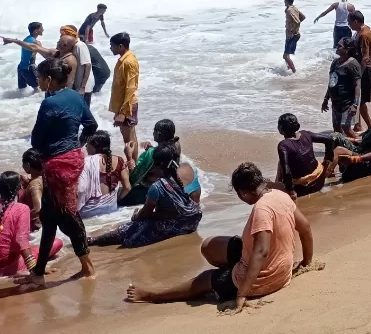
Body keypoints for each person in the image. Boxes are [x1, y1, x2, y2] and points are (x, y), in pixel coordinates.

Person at [125, 162, 314, 313]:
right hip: (280, 267)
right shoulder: (280, 195)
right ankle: (234, 269)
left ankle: (151, 294)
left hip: (264, 280)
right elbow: (305, 228)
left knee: (204, 280)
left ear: (244, 193)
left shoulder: (261, 209)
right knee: (208, 246)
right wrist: (306, 262)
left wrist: (242, 294)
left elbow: (262, 252)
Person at [18, 57, 97, 287]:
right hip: (73, 159)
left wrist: (49, 152)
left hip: (56, 166)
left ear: (49, 79)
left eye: (40, 78)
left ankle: (88, 267)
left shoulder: (49, 104)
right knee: (50, 217)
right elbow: (91, 126)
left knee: (68, 215)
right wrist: (77, 145)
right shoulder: (75, 96)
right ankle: (39, 271)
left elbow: (36, 139)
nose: (38, 81)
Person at [88, 143, 202, 248]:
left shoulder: (157, 187)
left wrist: (136, 216)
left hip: (176, 224)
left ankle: (94, 240)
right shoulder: (185, 170)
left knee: (128, 229)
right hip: (192, 221)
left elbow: (145, 213)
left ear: (157, 166)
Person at [0, 170, 63, 277]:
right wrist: (35, 269)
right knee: (57, 242)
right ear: (19, 188)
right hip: (7, 264)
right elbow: (21, 241)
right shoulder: (21, 209)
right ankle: (18, 269)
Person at [125, 119, 201, 207]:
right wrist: (153, 148)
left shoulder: (151, 153)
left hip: (157, 189)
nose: (153, 133)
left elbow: (133, 178)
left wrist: (129, 157)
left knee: (122, 194)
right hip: (175, 184)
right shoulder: (175, 144)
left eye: (154, 131)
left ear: (158, 134)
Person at [324, 96, 371, 182]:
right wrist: (347, 138)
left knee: (339, 152)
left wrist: (355, 159)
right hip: (361, 151)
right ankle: (329, 170)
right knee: (335, 137)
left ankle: (322, 178)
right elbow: (361, 139)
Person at [78, 130, 131, 218]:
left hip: (89, 213)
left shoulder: (86, 162)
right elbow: (127, 187)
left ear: (95, 146)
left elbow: (80, 189)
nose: (86, 146)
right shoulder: (119, 160)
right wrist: (117, 199)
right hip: (111, 210)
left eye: (88, 144)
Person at [275, 113, 326, 198]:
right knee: (284, 162)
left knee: (281, 163)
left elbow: (287, 173)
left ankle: (277, 188)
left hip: (303, 189)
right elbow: (330, 139)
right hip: (320, 181)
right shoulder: (306, 134)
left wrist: (290, 191)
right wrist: (327, 159)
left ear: (281, 129)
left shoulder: (283, 145)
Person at [322, 38, 364, 137]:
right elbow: (332, 82)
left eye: (340, 46)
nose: (337, 47)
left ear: (347, 49)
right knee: (336, 128)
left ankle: (362, 147)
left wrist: (355, 104)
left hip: (347, 103)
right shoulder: (335, 62)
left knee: (347, 128)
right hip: (335, 102)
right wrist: (325, 99)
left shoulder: (353, 64)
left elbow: (357, 85)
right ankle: (342, 148)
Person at [109, 32, 140, 155]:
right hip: (123, 105)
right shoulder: (123, 60)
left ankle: (132, 166)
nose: (110, 48)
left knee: (128, 141)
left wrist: (123, 113)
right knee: (130, 138)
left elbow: (131, 88)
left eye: (112, 45)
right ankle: (134, 165)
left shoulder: (129, 62)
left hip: (126, 107)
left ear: (120, 46)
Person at [347, 10, 371, 131]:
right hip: (362, 69)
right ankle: (358, 125)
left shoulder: (364, 34)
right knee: (357, 99)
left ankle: (370, 127)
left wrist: (358, 75)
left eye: (350, 23)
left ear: (355, 21)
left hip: (364, 70)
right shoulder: (363, 30)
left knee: (361, 100)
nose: (349, 25)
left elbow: (365, 58)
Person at [18, 149, 44, 231]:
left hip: (36, 227)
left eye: (23, 163)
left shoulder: (35, 184)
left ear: (27, 165)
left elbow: (38, 209)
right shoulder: (44, 177)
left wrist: (20, 218)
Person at [16, 21, 43, 91]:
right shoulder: (36, 43)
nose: (43, 30)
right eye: (41, 28)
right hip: (28, 68)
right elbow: (45, 53)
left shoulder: (25, 39)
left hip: (21, 67)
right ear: (36, 31)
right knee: (38, 90)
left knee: (21, 90)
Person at [282, 0, 304, 73]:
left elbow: (297, 22)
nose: (284, 1)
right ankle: (289, 69)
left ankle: (294, 72)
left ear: (287, 1)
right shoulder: (294, 8)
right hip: (292, 35)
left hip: (292, 35)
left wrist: (293, 30)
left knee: (285, 56)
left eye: (284, 0)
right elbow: (302, 17)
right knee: (287, 55)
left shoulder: (289, 10)